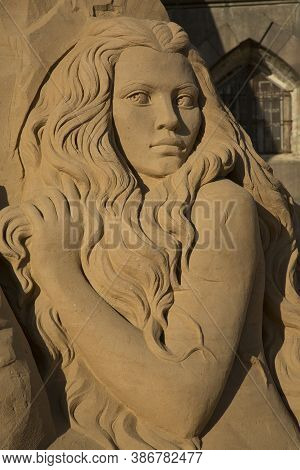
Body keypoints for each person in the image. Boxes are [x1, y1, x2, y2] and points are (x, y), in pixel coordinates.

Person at [0, 17, 299, 450]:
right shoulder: (72, 215)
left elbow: (183, 405)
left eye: (186, 99)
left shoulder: (219, 206)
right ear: (94, 110)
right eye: (140, 97)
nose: (170, 121)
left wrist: (56, 270)